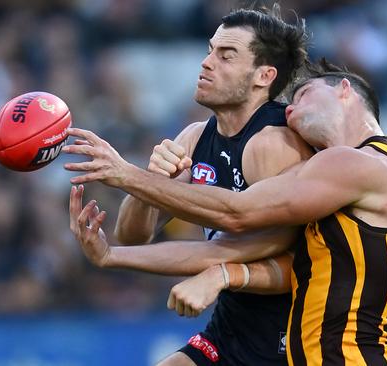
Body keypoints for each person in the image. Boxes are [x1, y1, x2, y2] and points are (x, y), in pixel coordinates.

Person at [65, 59, 387, 365]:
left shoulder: (360, 164)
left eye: (303, 95)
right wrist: (113, 255)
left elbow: (239, 213)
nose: (290, 110)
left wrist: (128, 174)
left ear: (345, 90)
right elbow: (287, 265)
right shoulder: (334, 177)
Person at [67, 6, 313, 366]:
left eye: (226, 56)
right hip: (230, 332)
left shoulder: (275, 143)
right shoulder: (195, 137)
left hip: (289, 342)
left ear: (264, 75)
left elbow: (236, 240)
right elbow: (134, 234)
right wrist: (151, 183)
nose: (207, 62)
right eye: (210, 50)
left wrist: (128, 177)